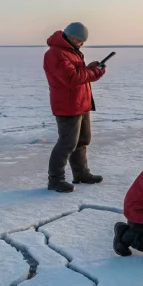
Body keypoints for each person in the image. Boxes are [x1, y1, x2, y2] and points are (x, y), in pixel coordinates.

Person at [43, 22, 106, 193]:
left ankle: (81, 174)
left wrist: (90, 69)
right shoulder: (55, 54)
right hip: (67, 106)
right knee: (67, 144)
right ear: (70, 36)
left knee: (82, 141)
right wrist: (94, 72)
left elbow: (78, 73)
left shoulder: (71, 51)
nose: (81, 44)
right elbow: (72, 78)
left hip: (81, 103)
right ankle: (55, 180)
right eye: (79, 40)